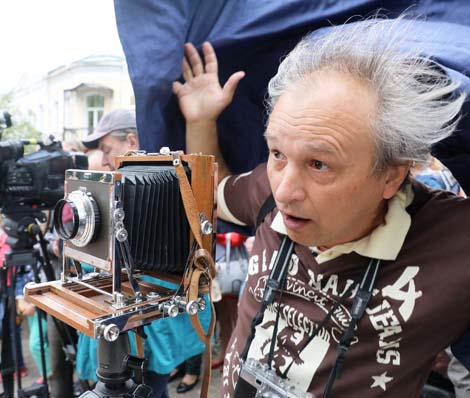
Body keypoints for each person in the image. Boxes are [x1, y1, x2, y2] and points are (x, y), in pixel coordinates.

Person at [174, 18, 470, 398]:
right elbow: (209, 192)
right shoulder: (268, 185)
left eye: (319, 165)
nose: (285, 192)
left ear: (391, 177)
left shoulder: (454, 242)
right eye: (278, 153)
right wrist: (201, 120)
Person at [81, 108, 212, 398]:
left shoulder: (179, 181)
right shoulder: (108, 184)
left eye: (107, 150)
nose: (103, 160)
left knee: (153, 386)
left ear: (130, 142)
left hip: (150, 323)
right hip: (114, 318)